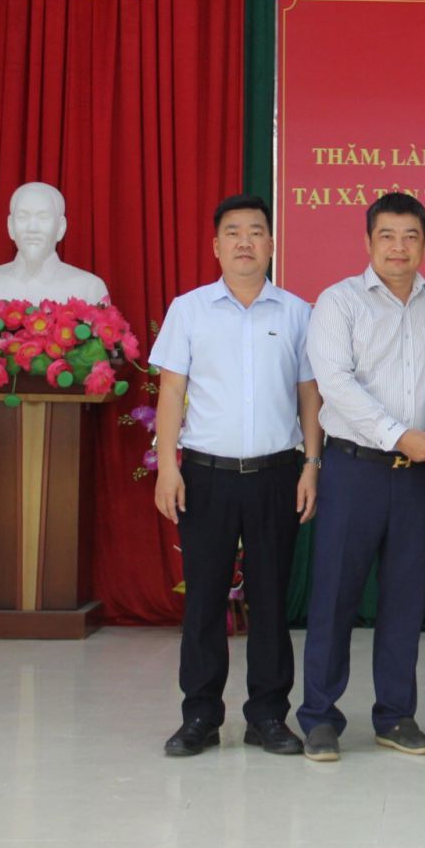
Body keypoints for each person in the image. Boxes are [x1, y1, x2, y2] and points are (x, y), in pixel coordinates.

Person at [149, 194, 321, 758]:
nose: (245, 241)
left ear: (271, 243)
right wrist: (168, 466)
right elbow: (171, 390)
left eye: (255, 231)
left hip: (276, 475)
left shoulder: (296, 313)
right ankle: (199, 715)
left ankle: (268, 715)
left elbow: (309, 395)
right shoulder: (189, 309)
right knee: (204, 600)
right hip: (206, 476)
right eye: (233, 232)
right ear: (216, 245)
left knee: (271, 601)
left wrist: (312, 464)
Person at [298, 192, 425, 762]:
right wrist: (397, 436)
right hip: (354, 470)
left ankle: (396, 716)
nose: (399, 247)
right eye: (387, 235)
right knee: (334, 597)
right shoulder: (338, 302)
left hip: (420, 477)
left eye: (410, 236)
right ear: (368, 241)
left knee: (406, 600)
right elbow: (335, 384)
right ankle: (320, 716)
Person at [0, 181, 110, 303]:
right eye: (23, 217)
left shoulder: (89, 289)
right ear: (10, 226)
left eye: (43, 217)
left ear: (61, 227)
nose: (32, 228)